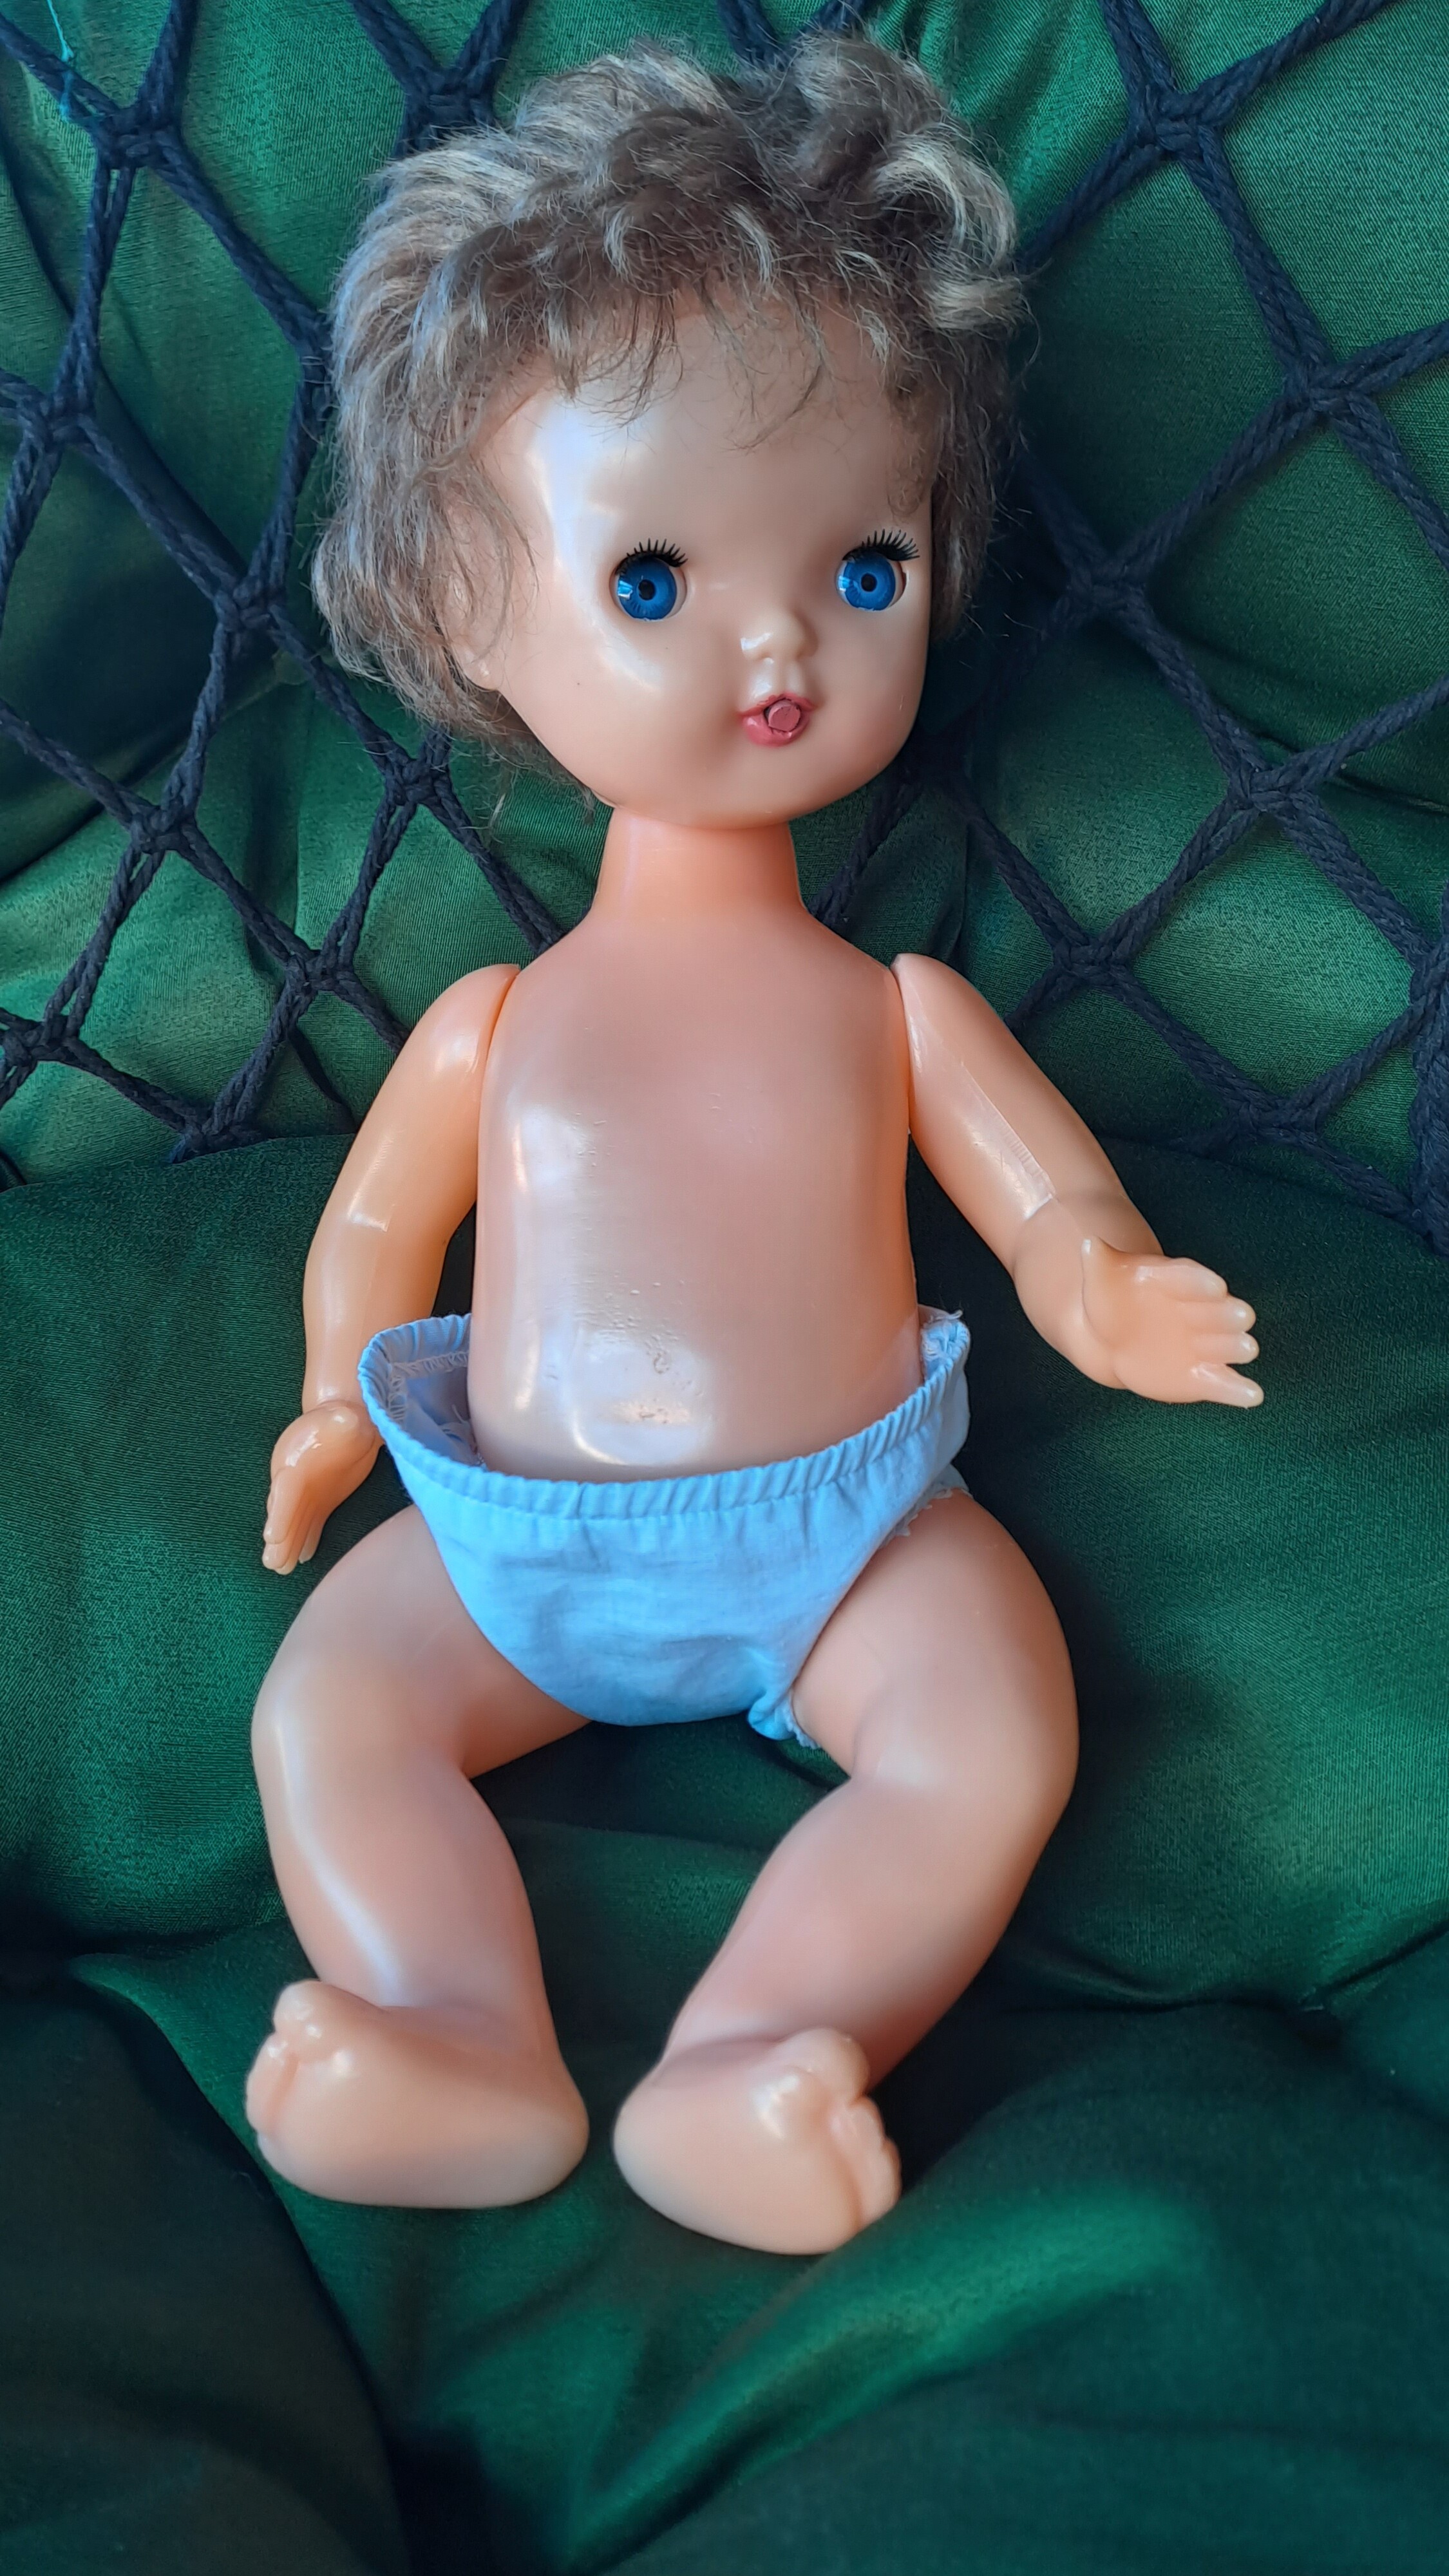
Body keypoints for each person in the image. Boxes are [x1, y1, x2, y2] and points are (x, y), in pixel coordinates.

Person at [248, 38, 1260, 2253]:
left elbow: (1044, 1188)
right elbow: (374, 1225)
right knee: (332, 1704)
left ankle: (760, 2054)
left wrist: (1098, 1282)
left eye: (864, 567)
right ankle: (444, 2026)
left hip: (846, 1543)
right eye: (651, 582)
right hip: (519, 1545)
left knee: (990, 1722)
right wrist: (334, 1396)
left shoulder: (892, 1012)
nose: (780, 640)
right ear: (464, 613)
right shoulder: (493, 1027)